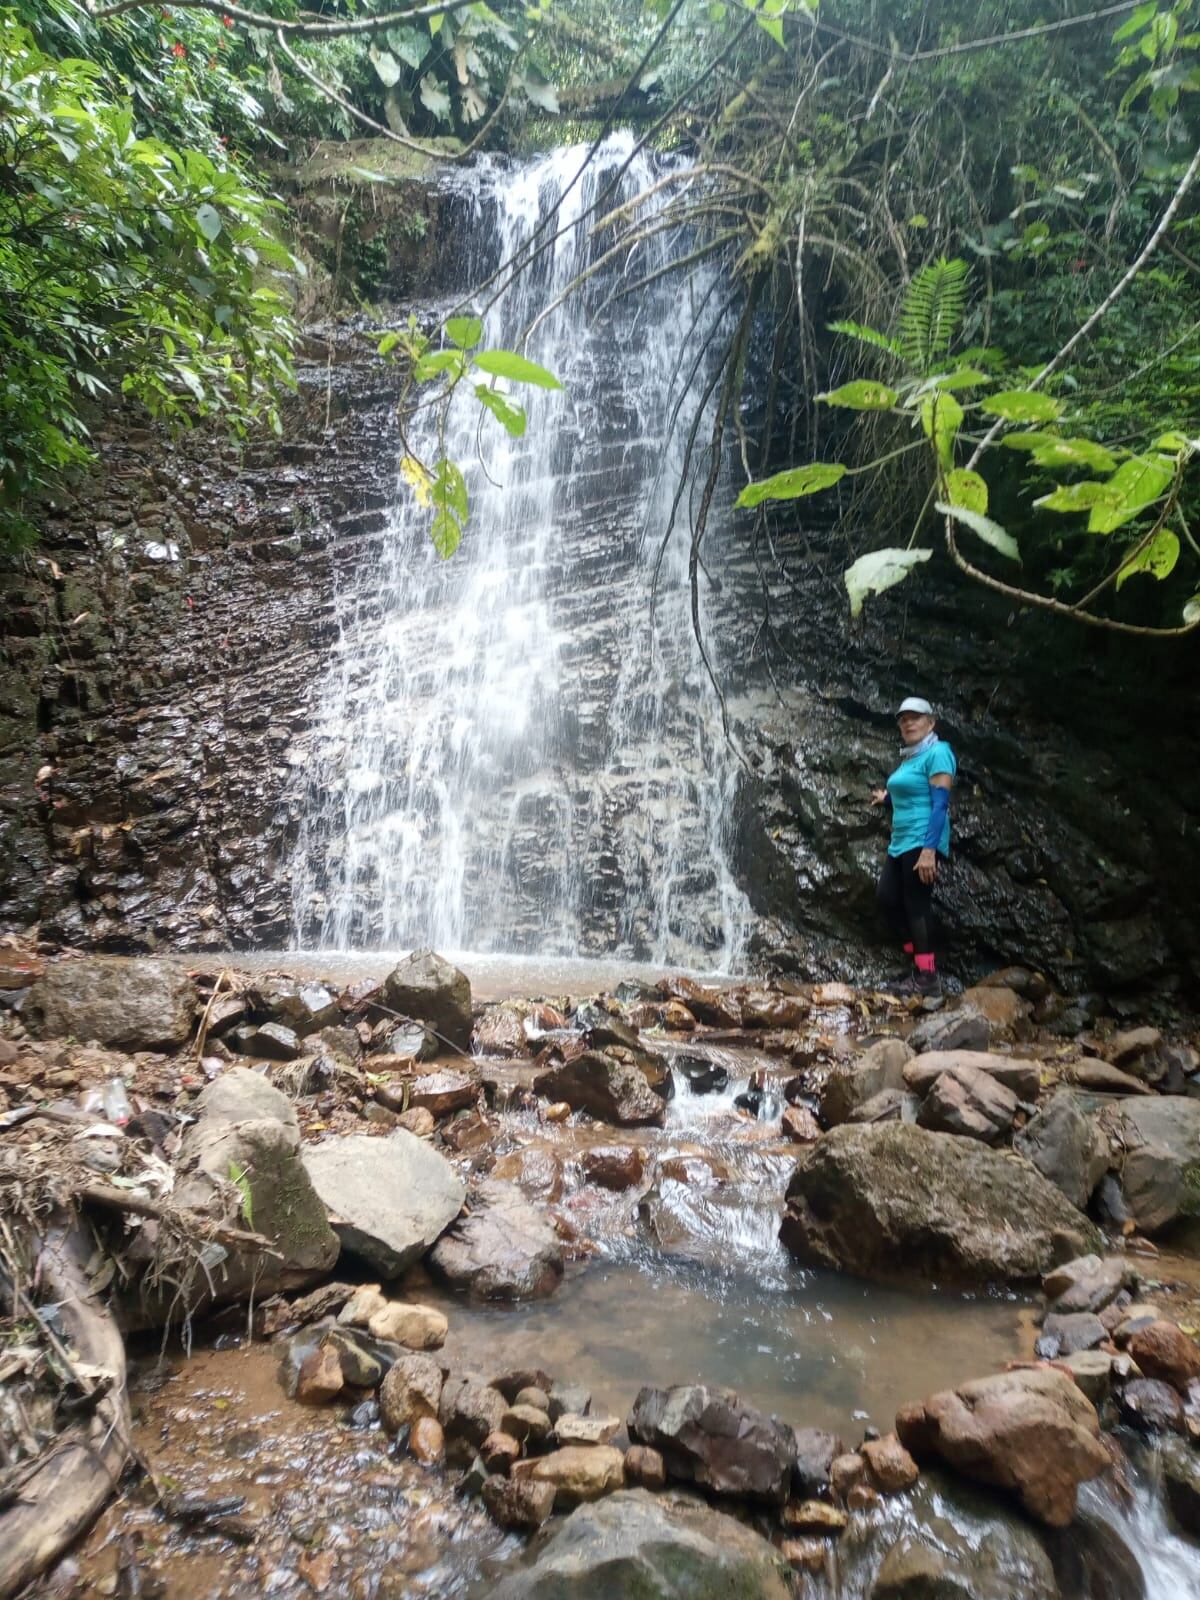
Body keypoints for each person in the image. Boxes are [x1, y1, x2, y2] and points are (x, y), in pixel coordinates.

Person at [871, 696, 956, 1000]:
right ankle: (916, 963)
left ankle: (927, 978)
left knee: (916, 905)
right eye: (903, 719)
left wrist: (929, 851)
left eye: (915, 717)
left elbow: (940, 803)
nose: (908, 723)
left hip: (922, 839)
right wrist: (886, 798)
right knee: (887, 898)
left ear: (930, 723)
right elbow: (908, 790)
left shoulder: (938, 752)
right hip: (901, 841)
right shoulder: (911, 758)